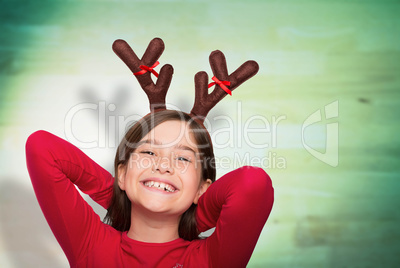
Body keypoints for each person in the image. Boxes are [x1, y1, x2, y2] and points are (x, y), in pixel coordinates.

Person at [26, 39, 274, 268]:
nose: (163, 165)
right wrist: (119, 197)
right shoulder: (91, 245)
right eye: (149, 152)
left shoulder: (209, 259)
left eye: (183, 157)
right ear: (121, 173)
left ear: (202, 189)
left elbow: (252, 184)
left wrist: (191, 212)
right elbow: (43, 148)